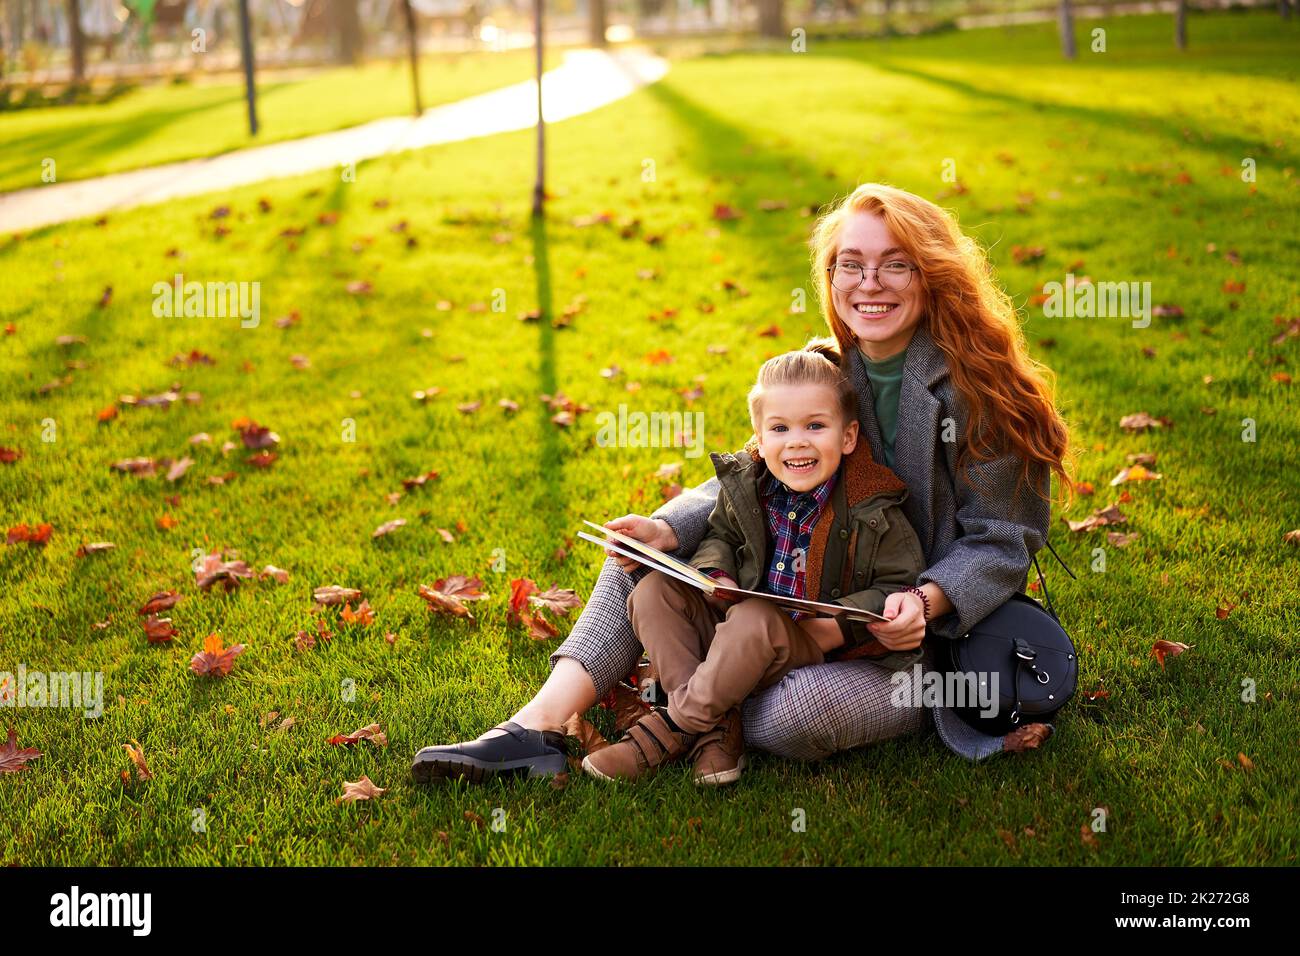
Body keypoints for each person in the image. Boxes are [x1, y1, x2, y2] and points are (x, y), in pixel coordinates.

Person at [410, 182, 1072, 785]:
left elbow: (1002, 540)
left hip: (907, 647)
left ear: (931, 274)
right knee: (640, 559)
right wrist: (667, 527)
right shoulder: (825, 366)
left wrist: (926, 601)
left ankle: (684, 704)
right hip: (789, 606)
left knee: (791, 718)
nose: (870, 283)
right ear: (832, 275)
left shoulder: (985, 390)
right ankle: (537, 727)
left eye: (894, 263)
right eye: (851, 264)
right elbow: (758, 468)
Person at [582, 345, 929, 785]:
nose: (797, 441)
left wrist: (840, 624)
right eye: (780, 428)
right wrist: (717, 575)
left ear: (848, 437)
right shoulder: (749, 487)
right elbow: (721, 537)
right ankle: (717, 733)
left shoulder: (874, 510)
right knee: (652, 593)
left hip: (801, 642)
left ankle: (671, 728)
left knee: (754, 620)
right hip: (736, 627)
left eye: (816, 426)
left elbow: (898, 585)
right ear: (759, 441)